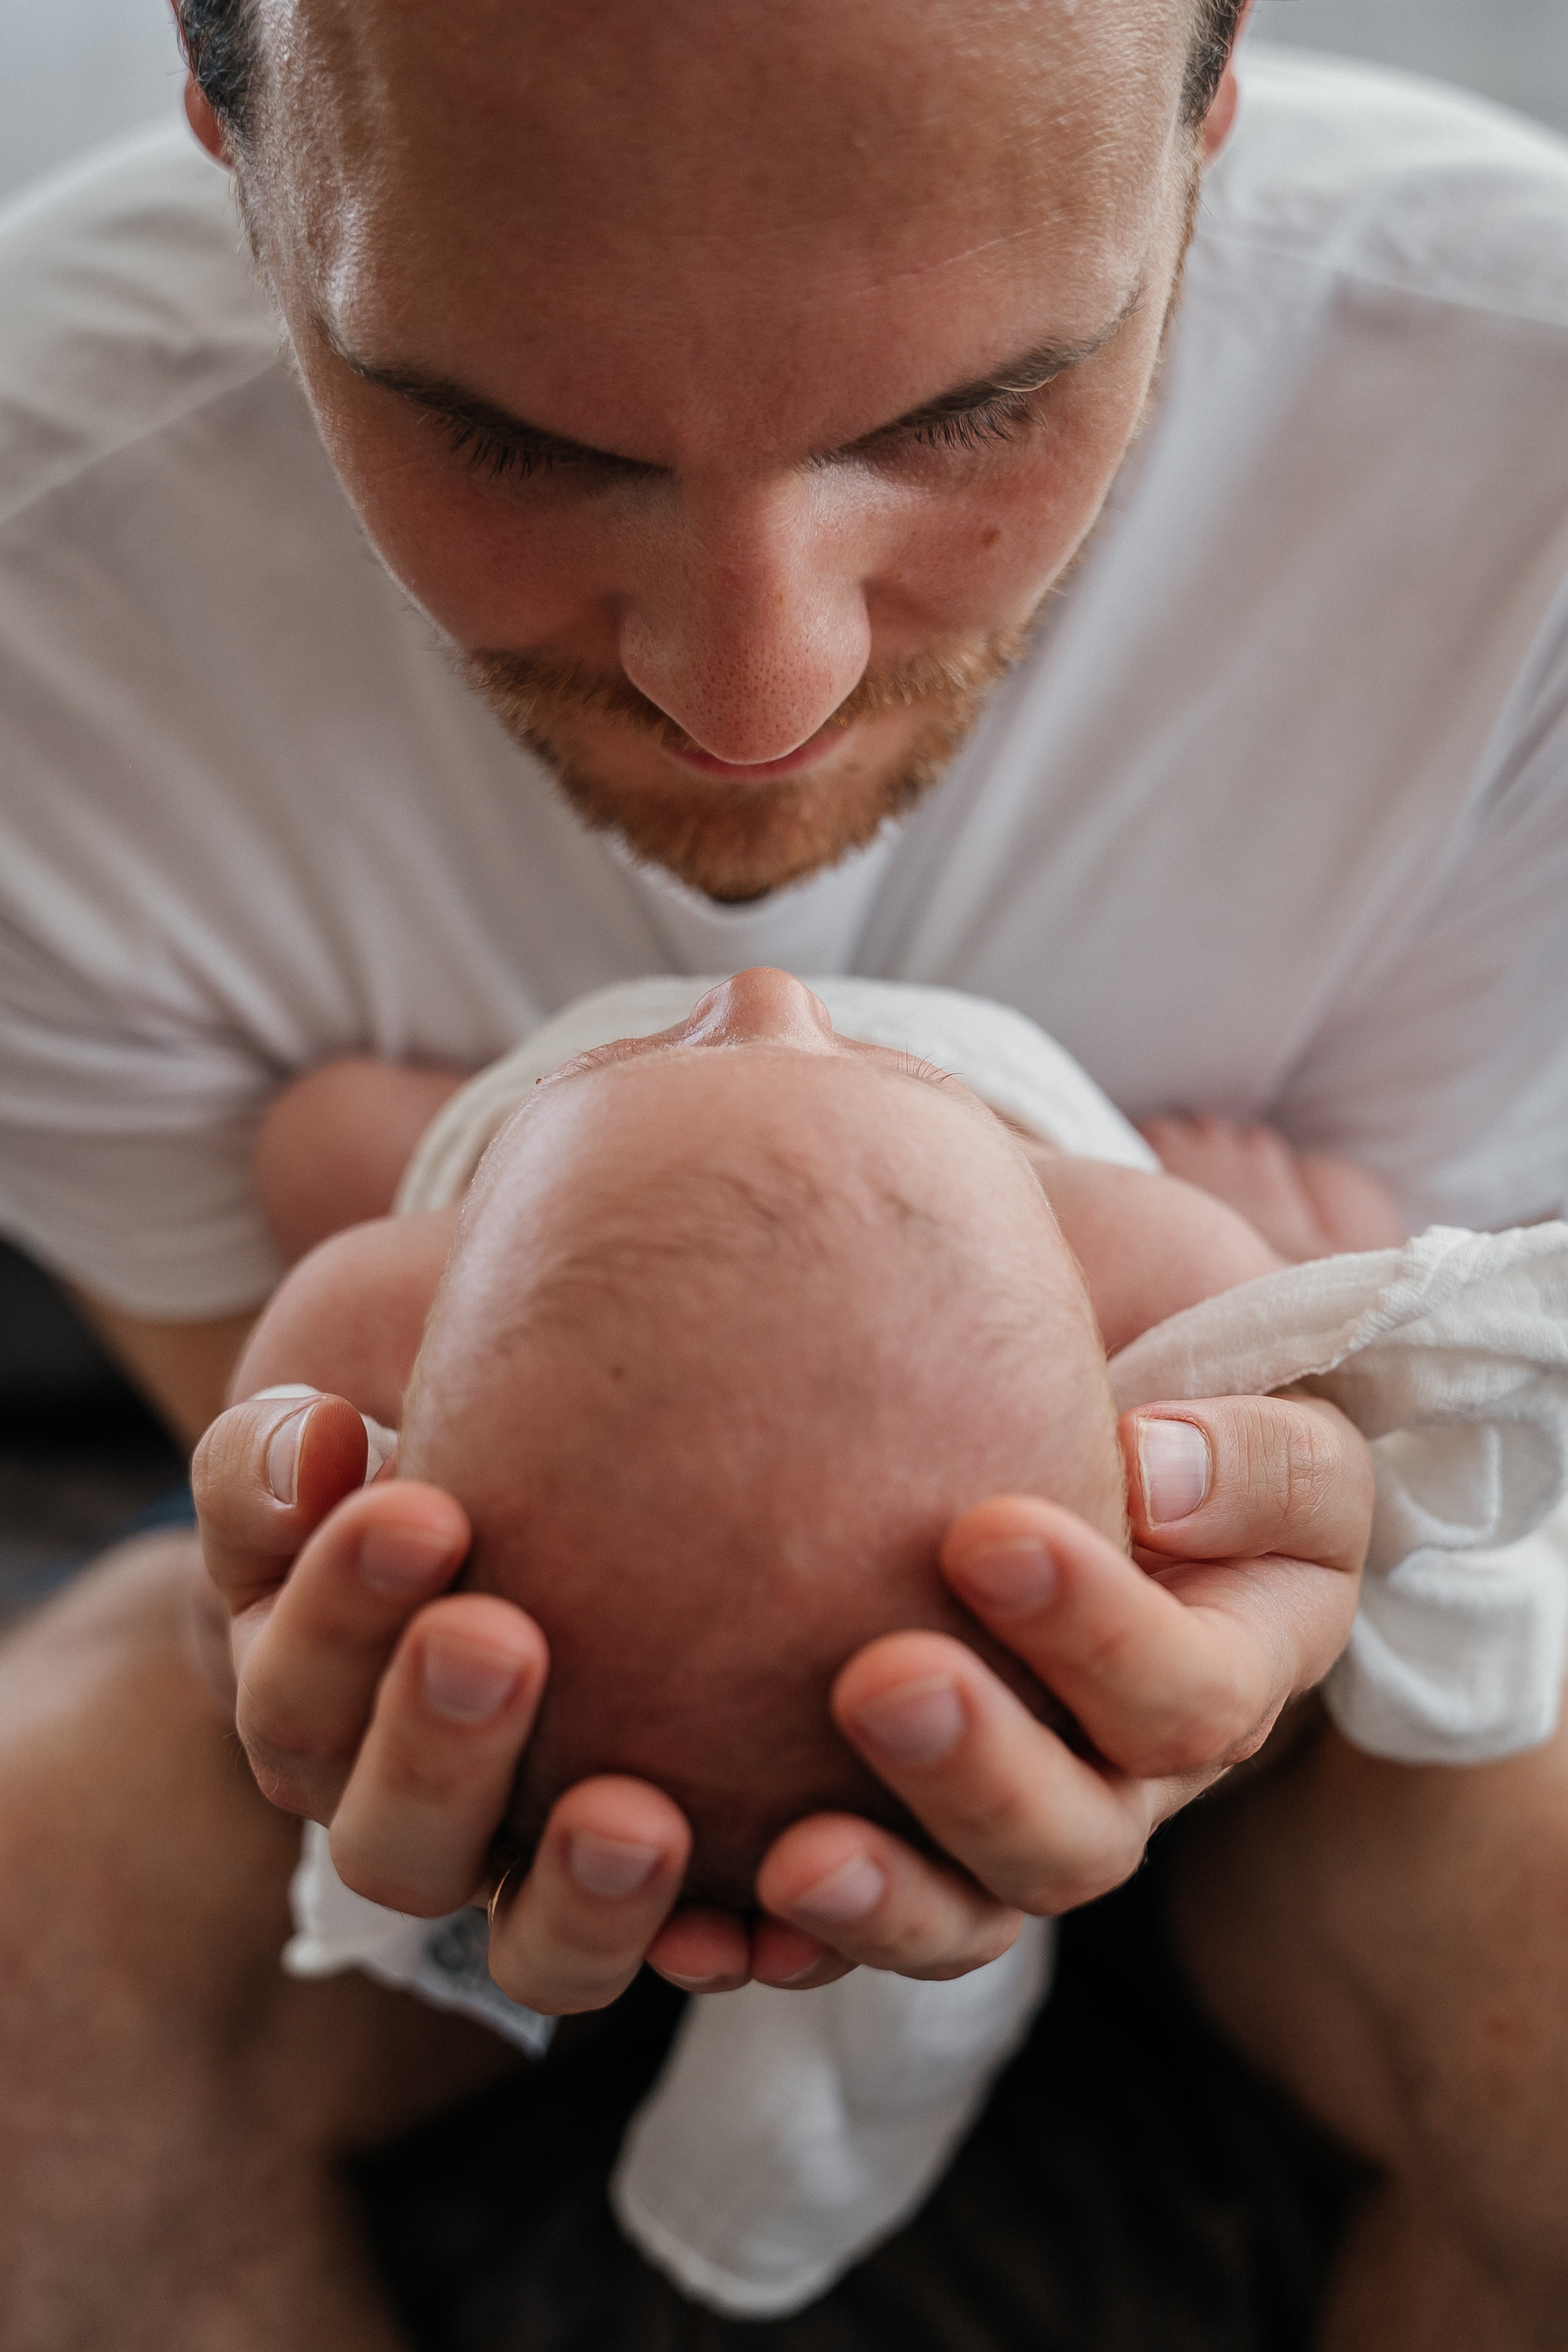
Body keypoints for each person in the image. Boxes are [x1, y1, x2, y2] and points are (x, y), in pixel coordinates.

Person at [1, 0, 1566, 2343]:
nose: (758, 690)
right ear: (227, 122)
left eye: (976, 411)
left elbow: (1427, 1410)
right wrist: (342, 1612)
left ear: (1211, 100)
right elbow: (316, 1427)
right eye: (496, 436)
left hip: (1315, 1669)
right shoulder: (46, 595)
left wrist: (1304, 1523)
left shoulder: (1518, 456)